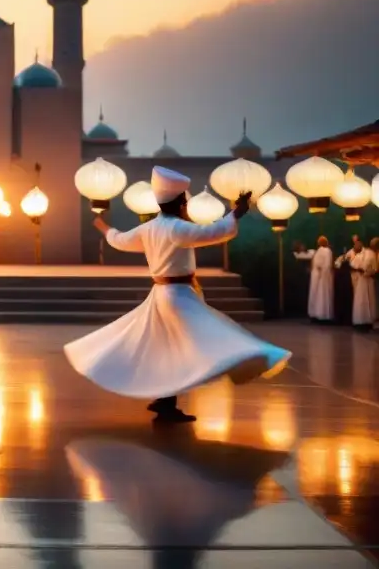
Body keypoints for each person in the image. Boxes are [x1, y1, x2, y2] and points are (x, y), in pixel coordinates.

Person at [64, 166, 291, 424]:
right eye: (185, 200)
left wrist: (105, 229)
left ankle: (165, 400)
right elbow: (212, 233)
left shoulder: (149, 228)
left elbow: (120, 240)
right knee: (213, 336)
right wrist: (235, 214)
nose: (186, 205)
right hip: (178, 296)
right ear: (179, 202)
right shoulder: (176, 228)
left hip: (162, 294)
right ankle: (249, 357)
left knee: (168, 348)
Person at [293, 236, 335, 323]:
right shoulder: (317, 251)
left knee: (323, 296)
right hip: (316, 276)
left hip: (323, 277)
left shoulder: (327, 251)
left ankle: (324, 315)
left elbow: (327, 264)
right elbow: (305, 255)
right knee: (316, 296)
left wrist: (323, 273)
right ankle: (315, 314)